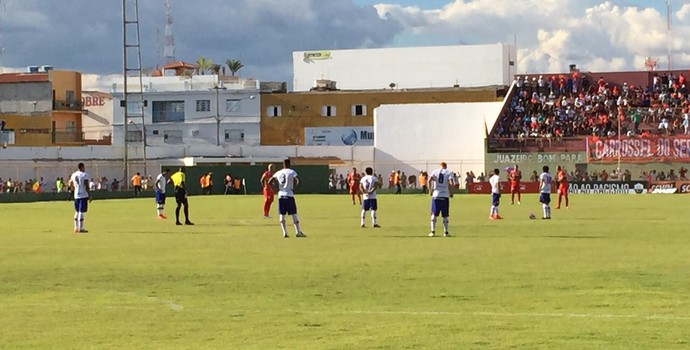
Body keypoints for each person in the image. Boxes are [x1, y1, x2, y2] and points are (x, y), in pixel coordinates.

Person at [270, 159, 306, 238]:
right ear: (289, 164)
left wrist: (275, 190)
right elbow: (298, 180)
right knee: (294, 214)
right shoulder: (291, 171)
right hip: (289, 194)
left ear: (283, 165)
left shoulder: (278, 172)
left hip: (281, 195)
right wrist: (296, 189)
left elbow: (270, 181)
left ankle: (285, 233)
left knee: (282, 214)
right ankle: (298, 232)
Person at [428, 162, 455, 237]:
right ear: (446, 166)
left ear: (440, 166)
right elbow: (451, 183)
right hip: (445, 196)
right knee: (445, 215)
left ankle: (432, 232)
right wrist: (451, 192)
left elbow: (429, 180)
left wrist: (430, 190)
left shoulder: (435, 171)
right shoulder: (448, 172)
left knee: (434, 214)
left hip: (436, 195)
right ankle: (445, 232)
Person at [67, 162, 90, 233]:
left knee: (77, 211)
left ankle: (75, 228)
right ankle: (81, 228)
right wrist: (89, 194)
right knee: (81, 211)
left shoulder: (74, 175)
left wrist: (71, 193)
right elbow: (86, 185)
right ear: (82, 167)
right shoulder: (84, 175)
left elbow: (70, 183)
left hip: (76, 195)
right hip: (83, 195)